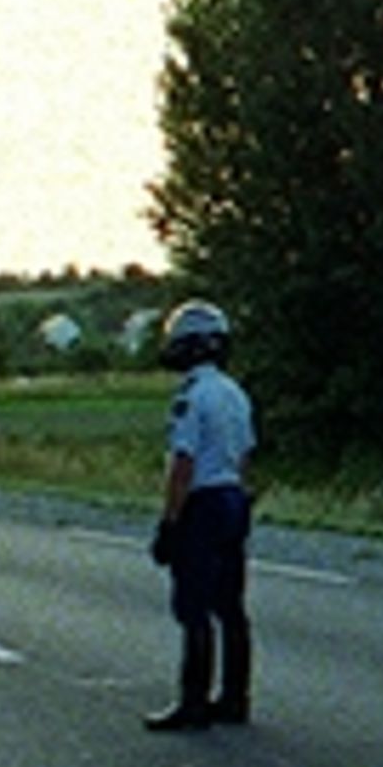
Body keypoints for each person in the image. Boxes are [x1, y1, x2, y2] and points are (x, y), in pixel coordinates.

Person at [145, 300, 256, 731]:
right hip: (233, 498)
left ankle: (193, 703)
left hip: (203, 504)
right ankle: (234, 698)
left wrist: (170, 522)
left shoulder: (192, 396)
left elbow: (183, 465)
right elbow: (245, 455)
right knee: (231, 606)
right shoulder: (235, 393)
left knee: (193, 606)